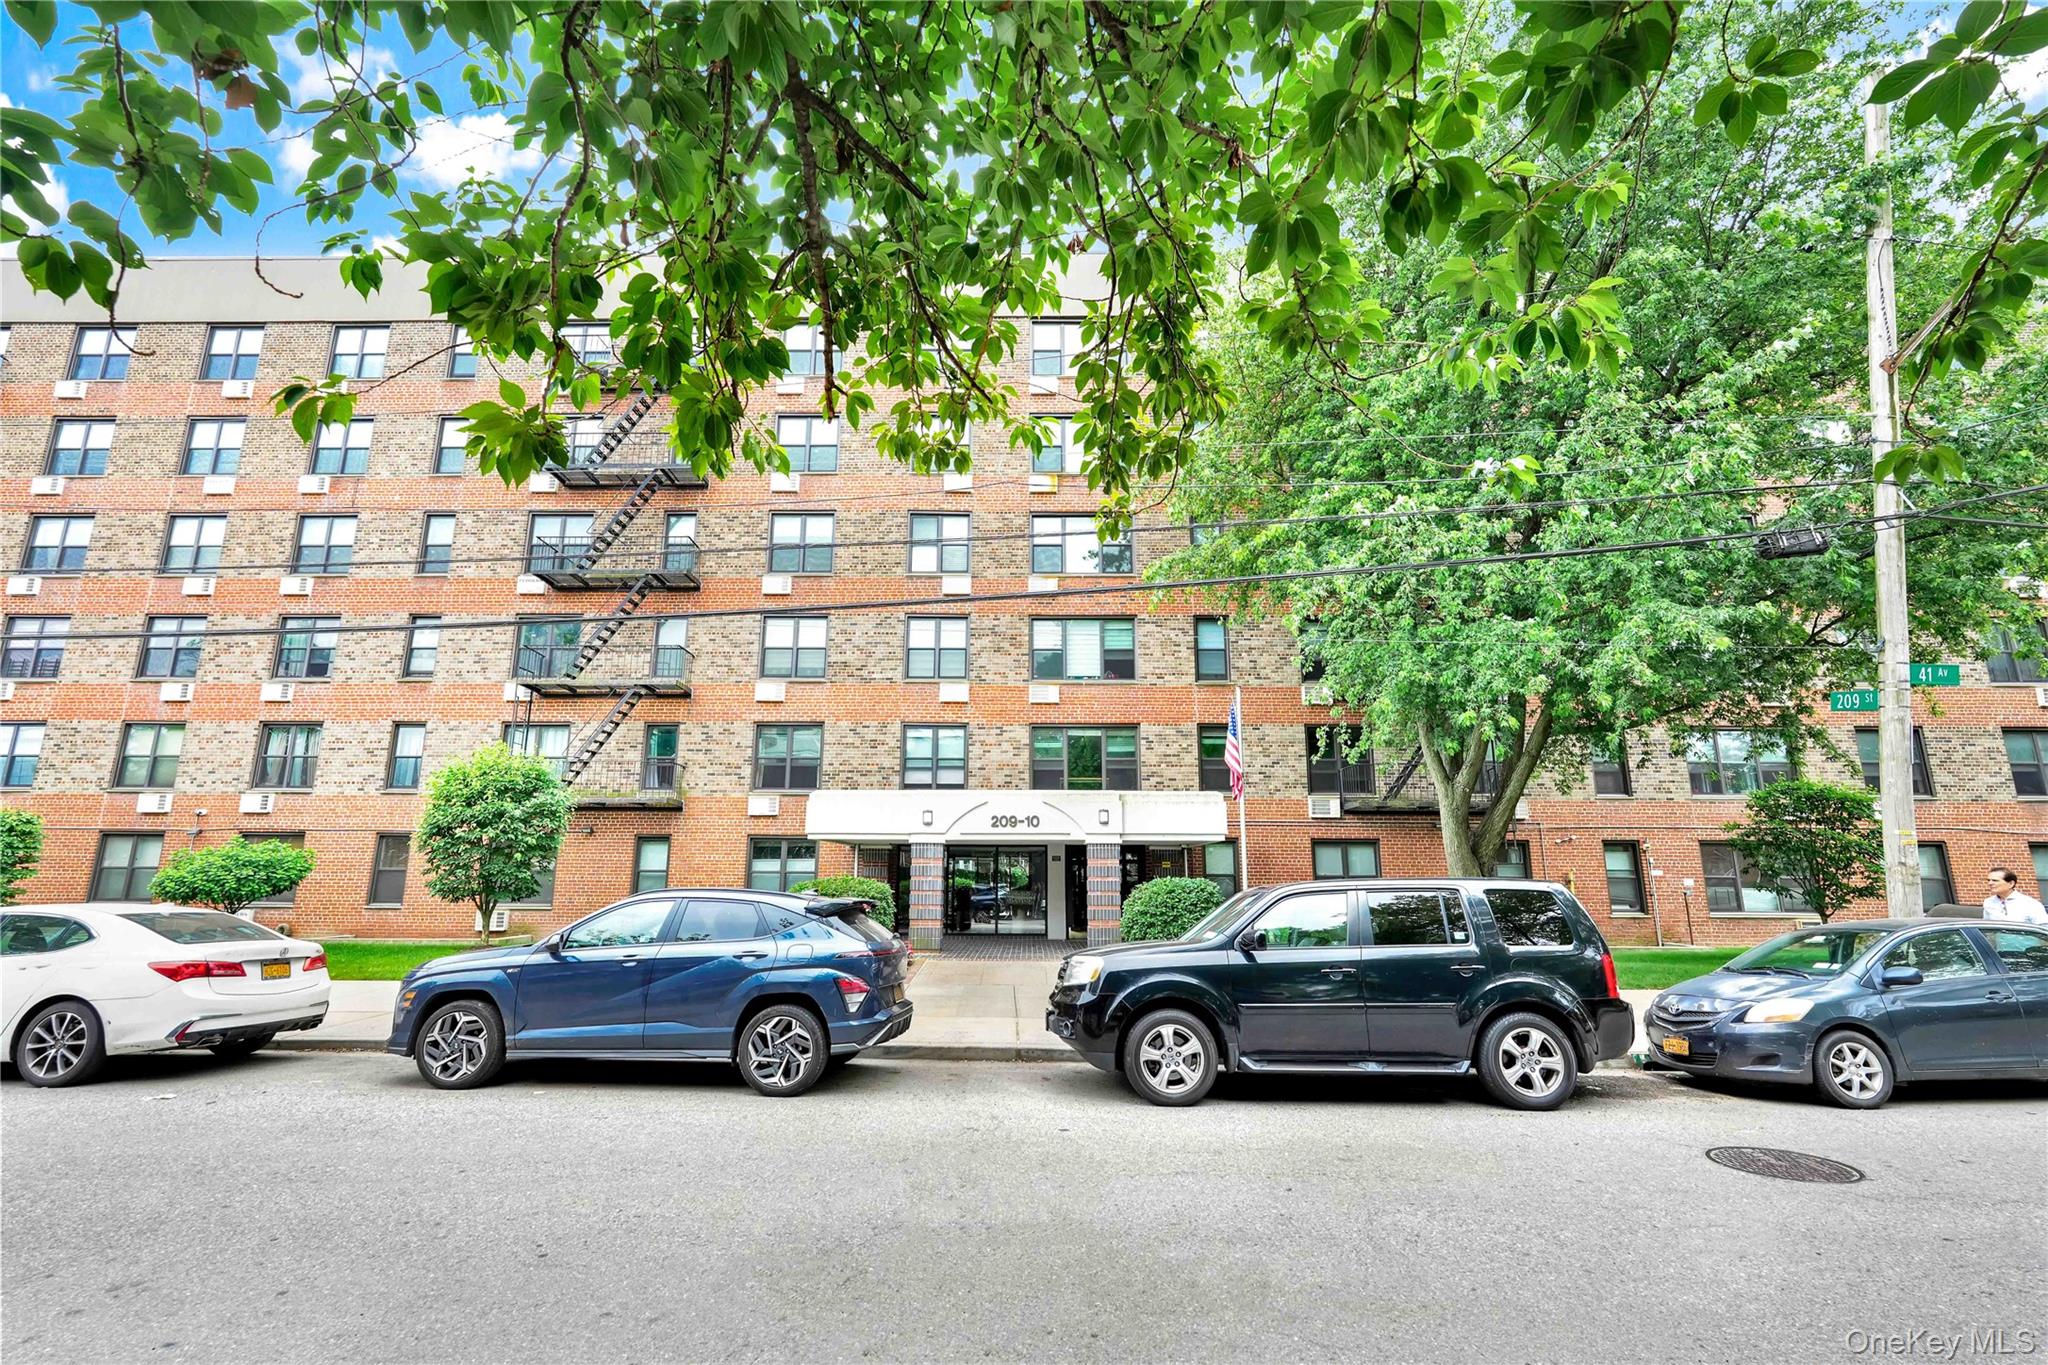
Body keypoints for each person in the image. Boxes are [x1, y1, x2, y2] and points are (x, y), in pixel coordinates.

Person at [1982, 867, 2048, 924]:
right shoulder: (1988, 902)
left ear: (2011, 883)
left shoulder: (2030, 904)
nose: (1990, 883)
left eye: (1995, 880)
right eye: (1988, 880)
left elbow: (2043, 928)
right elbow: (1986, 929)